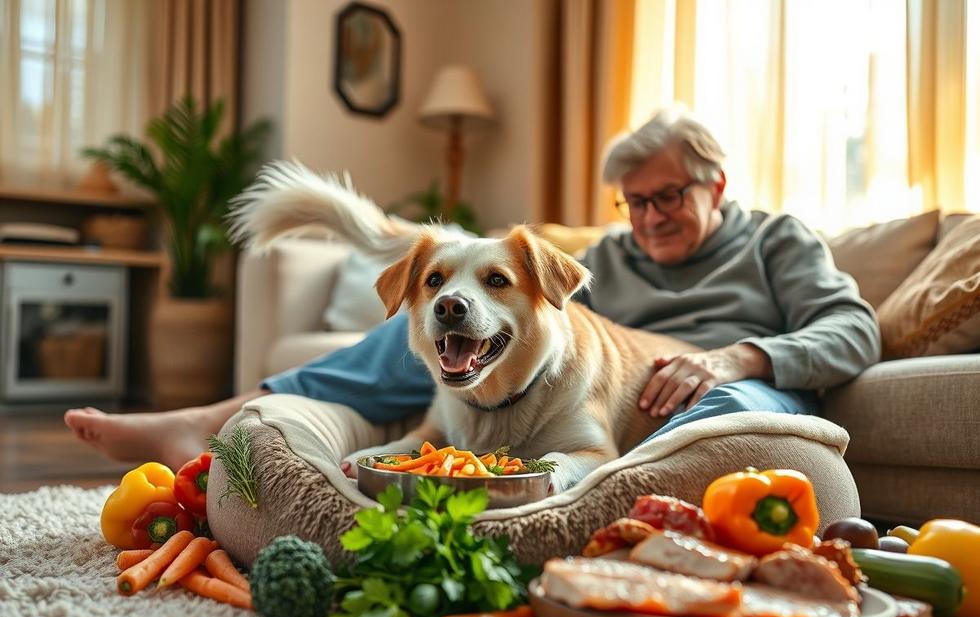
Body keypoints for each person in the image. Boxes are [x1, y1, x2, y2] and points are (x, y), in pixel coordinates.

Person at [65, 107, 881, 473]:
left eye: (669, 196)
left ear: (715, 186)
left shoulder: (776, 239)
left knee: (728, 424)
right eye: (635, 201)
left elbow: (853, 329)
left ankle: (641, 511)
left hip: (733, 386)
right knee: (415, 328)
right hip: (622, 382)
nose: (651, 217)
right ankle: (206, 419)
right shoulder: (609, 255)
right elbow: (532, 323)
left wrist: (735, 357)